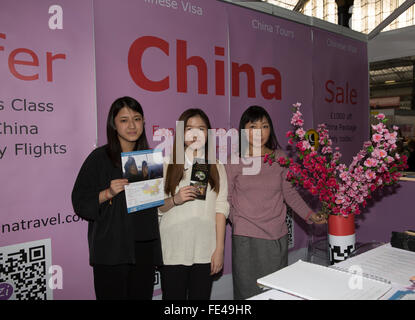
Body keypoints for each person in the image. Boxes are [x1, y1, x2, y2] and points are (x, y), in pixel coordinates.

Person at [226, 105, 326, 300]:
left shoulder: (280, 158)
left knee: (273, 293)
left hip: (275, 236)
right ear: (244, 130)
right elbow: (226, 198)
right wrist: (237, 220)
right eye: (253, 126)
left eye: (264, 126)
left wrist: (310, 215)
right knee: (247, 294)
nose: (259, 132)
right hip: (245, 238)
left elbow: (289, 193)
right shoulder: (234, 161)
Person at [71, 96, 162, 300]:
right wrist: (107, 193)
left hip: (143, 251)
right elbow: (79, 201)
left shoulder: (148, 159)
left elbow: (152, 209)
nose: (132, 125)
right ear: (113, 124)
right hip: (112, 252)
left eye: (137, 119)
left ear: (144, 122)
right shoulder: (99, 158)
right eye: (124, 120)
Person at [158, 108, 229, 300]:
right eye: (189, 128)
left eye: (201, 128)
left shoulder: (216, 166)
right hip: (173, 249)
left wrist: (219, 249)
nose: (195, 133)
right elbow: (157, 208)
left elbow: (221, 208)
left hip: (205, 250)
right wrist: (175, 199)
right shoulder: (166, 164)